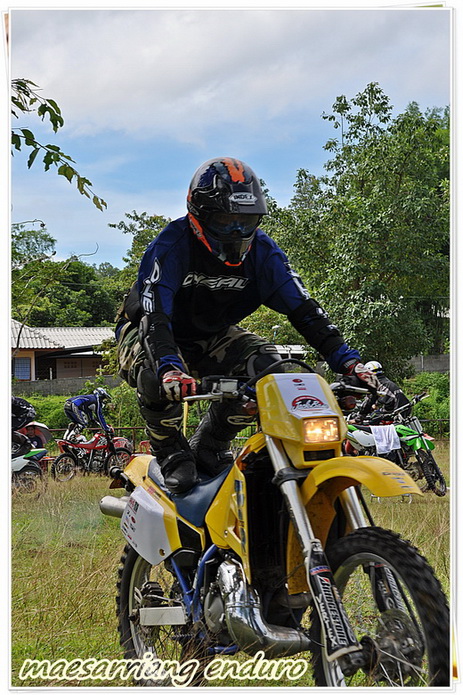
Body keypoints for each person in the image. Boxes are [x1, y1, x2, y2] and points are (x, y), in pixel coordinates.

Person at [115, 156, 383, 494]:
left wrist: (349, 363)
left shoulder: (265, 253)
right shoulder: (171, 245)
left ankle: (211, 444)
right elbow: (155, 316)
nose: (237, 231)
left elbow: (305, 311)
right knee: (155, 376)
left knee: (268, 367)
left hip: (213, 335)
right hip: (148, 331)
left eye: (246, 220)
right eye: (226, 220)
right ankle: (169, 449)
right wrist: (170, 368)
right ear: (199, 215)